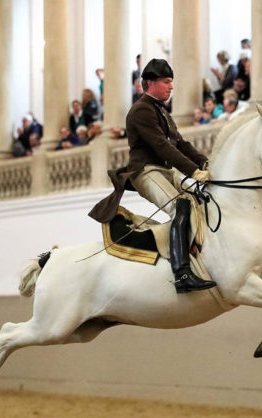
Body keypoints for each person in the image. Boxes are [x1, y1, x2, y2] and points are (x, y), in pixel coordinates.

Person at [88, 58, 217, 294]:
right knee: (180, 207)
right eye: (166, 82)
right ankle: (182, 273)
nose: (171, 86)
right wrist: (193, 171)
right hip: (146, 170)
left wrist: (206, 162)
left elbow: (181, 144)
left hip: (165, 170)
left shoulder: (161, 110)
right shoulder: (140, 110)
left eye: (171, 82)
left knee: (201, 202)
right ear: (151, 83)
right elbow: (161, 146)